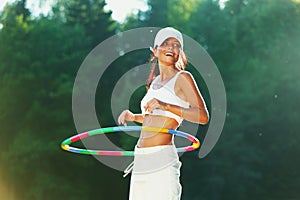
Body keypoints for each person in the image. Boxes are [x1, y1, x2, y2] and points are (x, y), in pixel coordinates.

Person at [118, 27, 209, 200]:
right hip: (141, 158)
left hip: (162, 158)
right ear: (155, 50)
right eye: (165, 43)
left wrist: (165, 105)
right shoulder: (154, 83)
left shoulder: (183, 77)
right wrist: (134, 117)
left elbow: (202, 116)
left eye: (176, 45)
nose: (170, 48)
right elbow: (153, 119)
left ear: (180, 52)